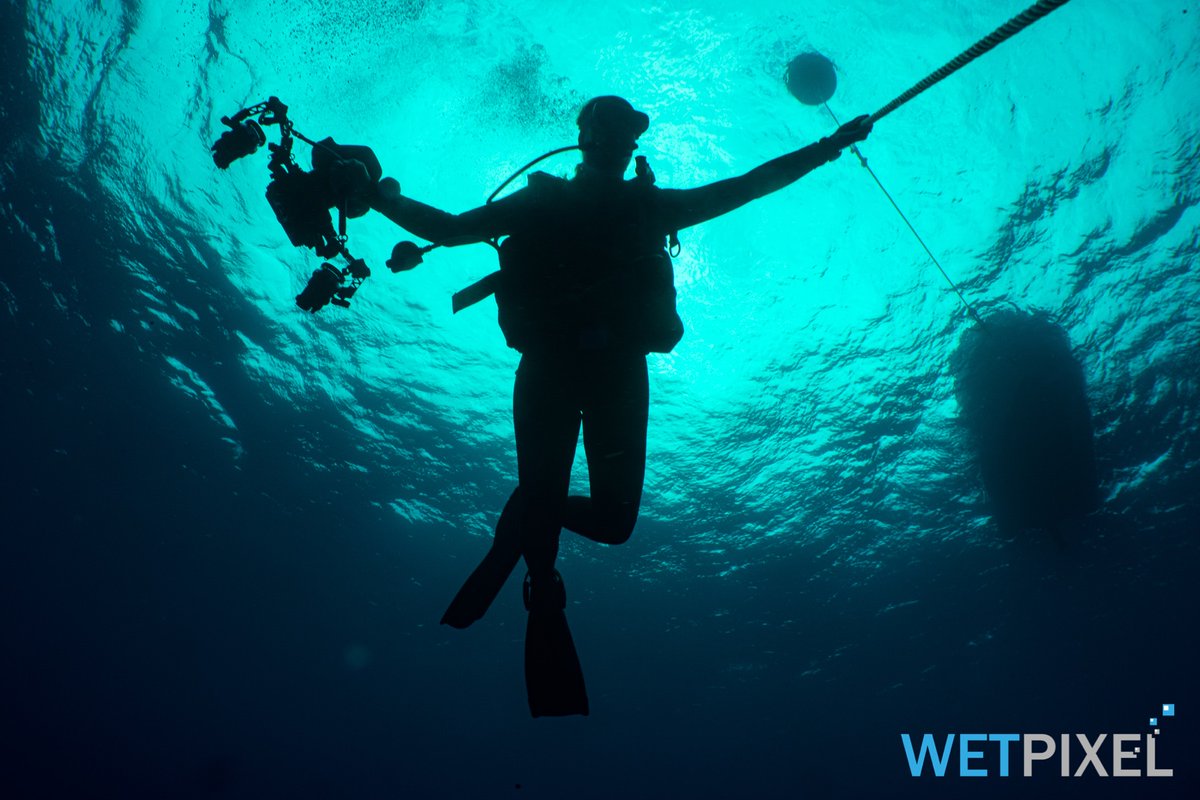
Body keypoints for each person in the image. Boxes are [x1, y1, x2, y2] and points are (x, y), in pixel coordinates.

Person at [363, 97, 872, 716]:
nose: (613, 141)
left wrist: (827, 148)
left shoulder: (646, 206)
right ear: (584, 138)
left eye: (624, 131)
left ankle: (530, 515)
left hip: (611, 373)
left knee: (614, 523)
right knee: (572, 517)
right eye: (603, 130)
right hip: (555, 369)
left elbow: (747, 186)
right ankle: (541, 580)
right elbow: (447, 230)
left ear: (633, 145)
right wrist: (377, 197)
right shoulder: (547, 203)